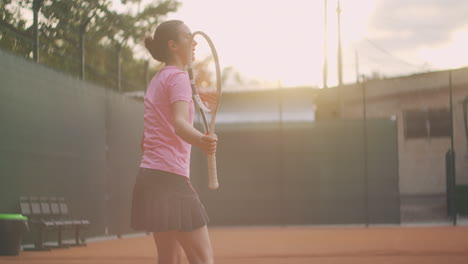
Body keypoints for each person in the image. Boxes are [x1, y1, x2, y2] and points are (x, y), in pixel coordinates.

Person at [131, 20, 217, 264]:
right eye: (188, 37)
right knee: (203, 260)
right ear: (173, 45)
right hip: (170, 181)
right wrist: (203, 141)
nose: (195, 42)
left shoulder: (157, 81)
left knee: (169, 259)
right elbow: (180, 124)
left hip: (149, 178)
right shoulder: (178, 78)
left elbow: (144, 141)